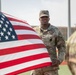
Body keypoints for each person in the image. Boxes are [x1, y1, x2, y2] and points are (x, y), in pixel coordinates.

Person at [31, 10, 66, 75]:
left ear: (49, 18)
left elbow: (62, 47)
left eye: (46, 17)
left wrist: (59, 60)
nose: (44, 18)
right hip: (37, 67)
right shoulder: (34, 31)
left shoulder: (55, 31)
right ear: (39, 19)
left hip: (51, 67)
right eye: (42, 17)